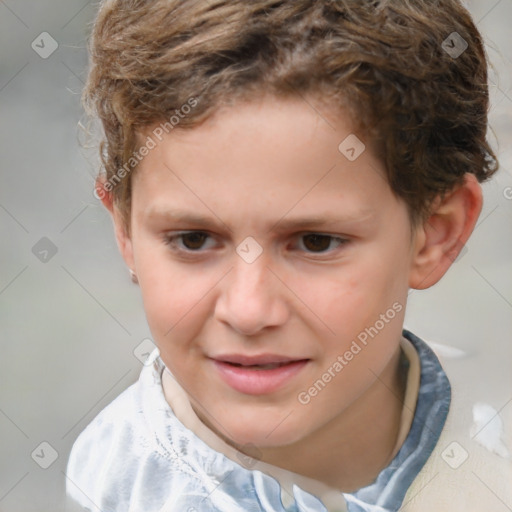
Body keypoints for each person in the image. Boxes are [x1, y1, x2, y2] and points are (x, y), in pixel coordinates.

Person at [66, 1, 512, 511]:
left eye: (315, 242)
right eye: (193, 239)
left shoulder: (493, 471)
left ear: (436, 233)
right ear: (124, 230)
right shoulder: (110, 486)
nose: (249, 310)